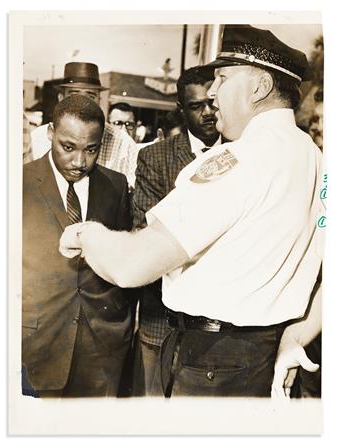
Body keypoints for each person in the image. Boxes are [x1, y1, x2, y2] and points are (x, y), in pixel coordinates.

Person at [60, 25, 323, 397]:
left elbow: (132, 265)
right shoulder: (314, 157)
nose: (212, 92)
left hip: (212, 362)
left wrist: (84, 234)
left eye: (223, 78)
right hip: (262, 354)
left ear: (259, 87)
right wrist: (296, 335)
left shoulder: (240, 159)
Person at [22, 95, 133, 397]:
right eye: (68, 147)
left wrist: (119, 327)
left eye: (91, 149)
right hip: (34, 346)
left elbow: (124, 260)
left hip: (102, 350)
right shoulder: (17, 183)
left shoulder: (116, 186)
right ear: (50, 134)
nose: (79, 162)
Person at [131, 66, 220, 395]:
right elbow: (145, 233)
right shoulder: (155, 157)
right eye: (197, 106)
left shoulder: (243, 153)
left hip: (222, 329)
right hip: (162, 322)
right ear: (181, 110)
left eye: (213, 102)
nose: (208, 113)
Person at [30, 62, 138, 188]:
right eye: (74, 95)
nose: (81, 102)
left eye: (90, 96)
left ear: (99, 101)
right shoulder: (38, 137)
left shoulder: (123, 144)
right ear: (61, 98)